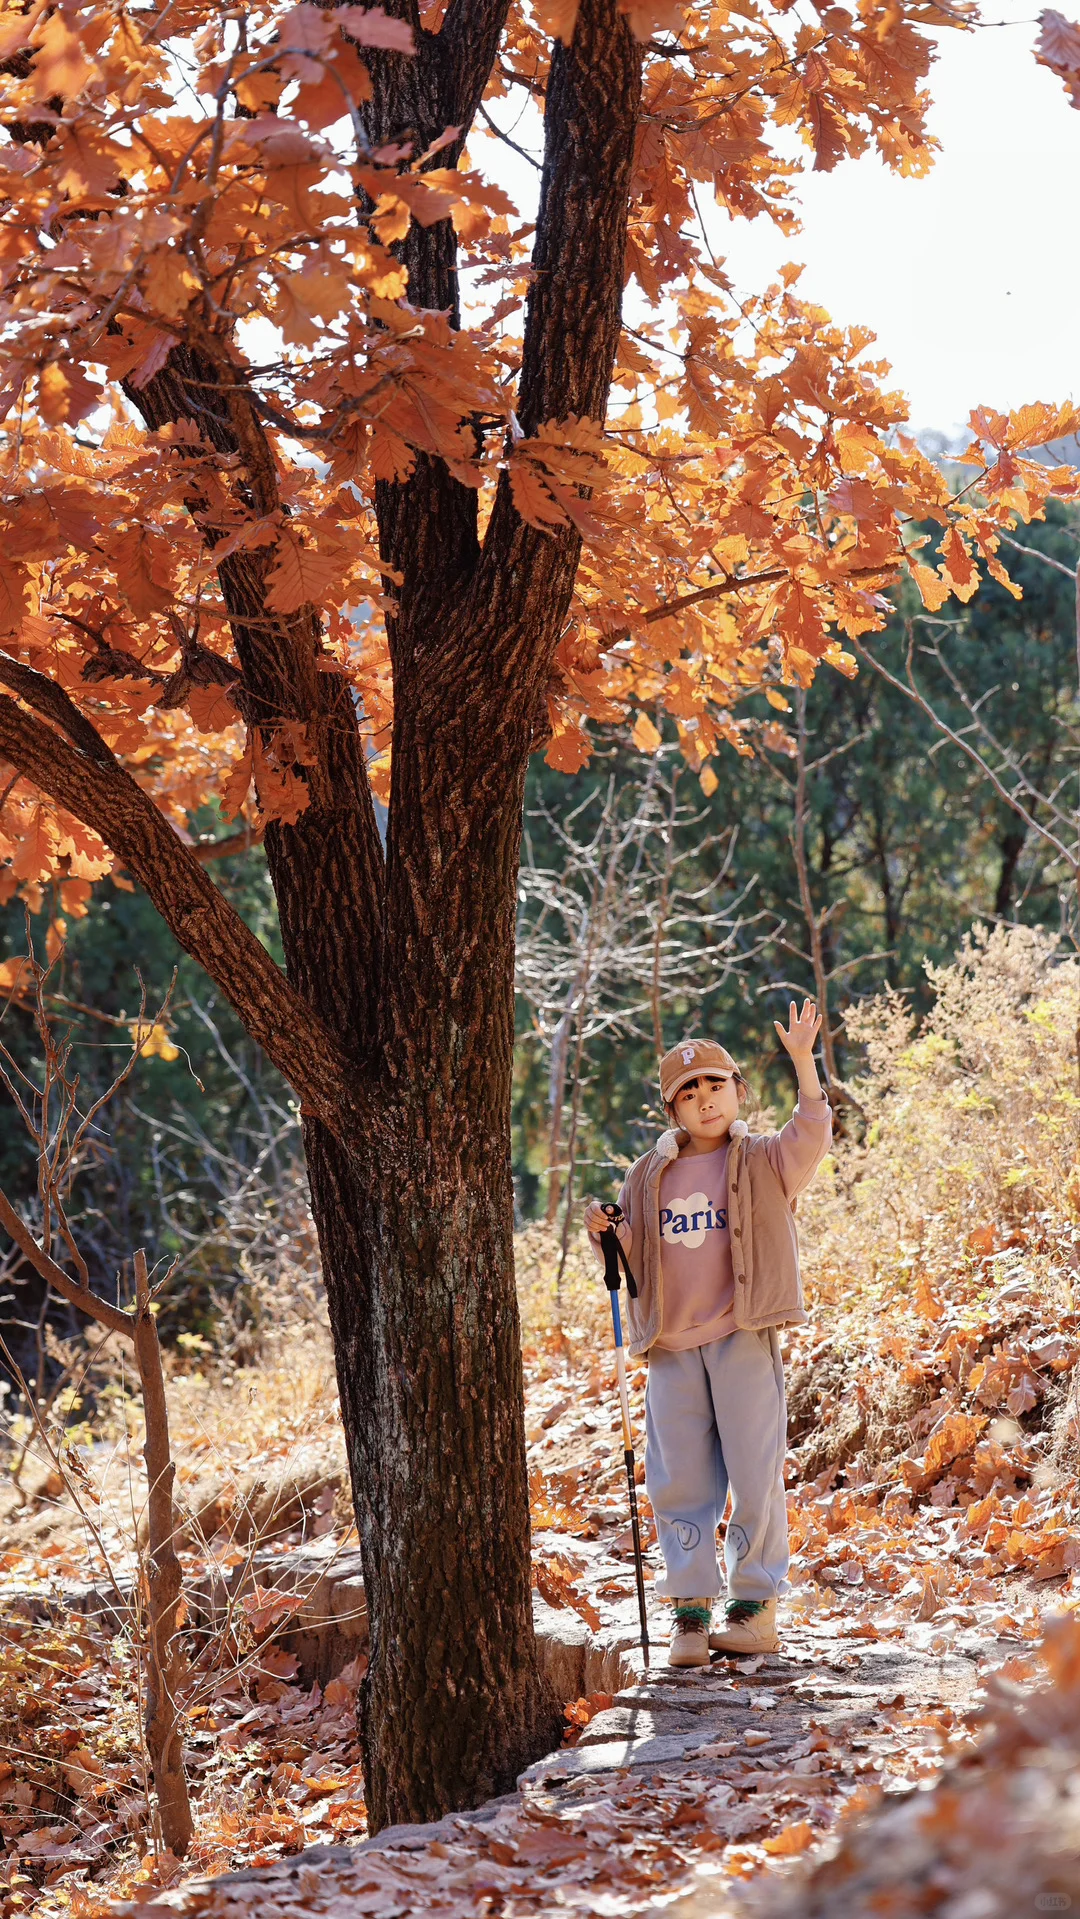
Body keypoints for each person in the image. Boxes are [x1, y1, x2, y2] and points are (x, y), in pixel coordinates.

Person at [584, 1001, 832, 1668]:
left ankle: (753, 1607)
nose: (703, 1099)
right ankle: (690, 1612)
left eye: (715, 1084)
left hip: (741, 1335)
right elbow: (638, 1263)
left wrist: (805, 1062)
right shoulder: (649, 1173)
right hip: (671, 1349)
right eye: (687, 1091)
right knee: (679, 1479)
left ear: (737, 1091)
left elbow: (811, 1133)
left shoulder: (762, 1160)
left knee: (755, 1471)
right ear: (672, 1109)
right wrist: (609, 1232)